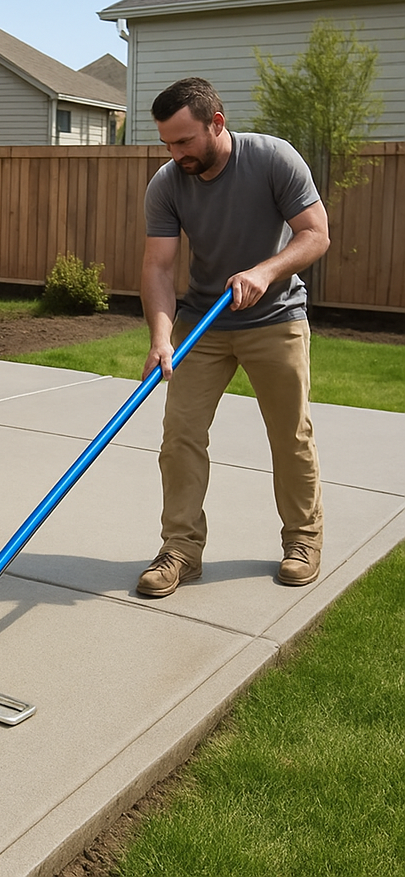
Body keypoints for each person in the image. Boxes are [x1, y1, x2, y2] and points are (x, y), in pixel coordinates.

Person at [137, 77, 330, 597]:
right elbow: (158, 268)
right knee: (179, 436)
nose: (175, 154)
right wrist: (161, 337)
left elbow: (315, 234)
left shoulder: (274, 159)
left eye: (184, 141)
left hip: (276, 317)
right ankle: (180, 549)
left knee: (290, 434)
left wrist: (265, 273)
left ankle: (303, 539)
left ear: (216, 123)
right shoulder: (168, 183)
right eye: (167, 143)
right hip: (203, 320)